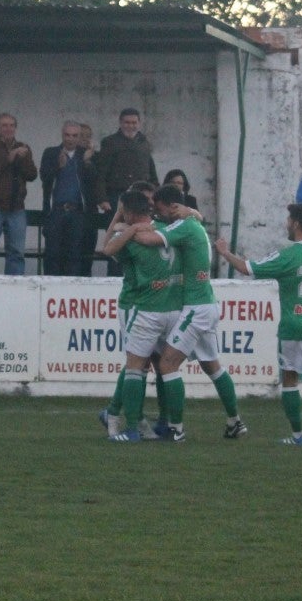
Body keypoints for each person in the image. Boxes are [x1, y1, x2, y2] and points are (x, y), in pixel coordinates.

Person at [215, 203, 302, 449]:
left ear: (297, 224)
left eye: (289, 220)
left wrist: (225, 253)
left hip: (295, 325)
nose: (286, 224)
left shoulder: (288, 255)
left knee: (290, 379)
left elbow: (247, 268)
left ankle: (298, 435)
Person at [128, 184, 249, 442]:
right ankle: (235, 422)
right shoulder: (193, 224)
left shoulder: (184, 226)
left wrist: (125, 231)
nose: (157, 215)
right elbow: (190, 219)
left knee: (167, 364)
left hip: (196, 308)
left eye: (160, 210)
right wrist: (194, 212)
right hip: (207, 303)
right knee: (213, 366)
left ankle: (176, 428)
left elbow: (148, 239)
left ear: (173, 207)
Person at [99, 189, 182, 443]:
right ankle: (166, 422)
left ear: (129, 212)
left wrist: (122, 225)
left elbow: (107, 249)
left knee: (136, 365)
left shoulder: (131, 237)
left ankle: (124, 419)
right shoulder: (169, 229)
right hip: (173, 308)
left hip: (140, 304)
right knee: (164, 365)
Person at [94, 108, 157, 276]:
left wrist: (155, 195)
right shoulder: (110, 142)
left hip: (142, 199)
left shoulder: (144, 143)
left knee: (141, 236)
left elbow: (151, 171)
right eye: (127, 122)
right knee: (117, 236)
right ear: (121, 123)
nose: (131, 126)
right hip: (118, 197)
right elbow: (101, 173)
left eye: (134, 122)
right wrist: (103, 198)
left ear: (139, 123)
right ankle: (115, 276)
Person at [0, 113, 37, 275]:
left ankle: (14, 286)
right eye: (4, 125)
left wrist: (23, 159)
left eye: (11, 125)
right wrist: (8, 159)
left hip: (16, 208)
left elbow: (32, 175)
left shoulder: (23, 147)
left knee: (17, 253)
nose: (8, 129)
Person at [39, 120, 96, 276]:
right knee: (52, 253)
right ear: (62, 135)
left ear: (79, 137)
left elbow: (93, 181)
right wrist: (58, 166)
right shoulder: (51, 152)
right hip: (56, 210)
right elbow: (44, 178)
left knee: (74, 254)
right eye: (67, 135)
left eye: (74, 136)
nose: (70, 139)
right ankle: (51, 285)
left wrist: (87, 162)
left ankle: (71, 286)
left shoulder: (85, 154)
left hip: (77, 211)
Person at [77, 123, 102, 277]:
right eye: (82, 135)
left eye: (88, 136)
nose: (85, 139)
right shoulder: (70, 155)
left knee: (89, 248)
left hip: (91, 208)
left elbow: (99, 178)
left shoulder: (97, 158)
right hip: (75, 208)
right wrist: (83, 160)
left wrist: (89, 161)